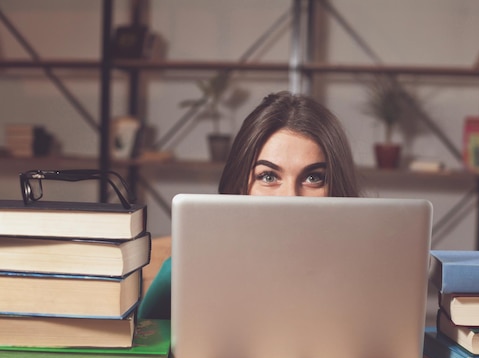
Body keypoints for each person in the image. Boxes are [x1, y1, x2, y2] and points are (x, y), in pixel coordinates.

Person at [139, 91, 360, 319]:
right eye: (268, 176)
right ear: (240, 186)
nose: (290, 198)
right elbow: (146, 346)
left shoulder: (369, 274)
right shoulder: (184, 271)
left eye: (313, 178)